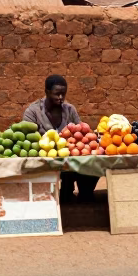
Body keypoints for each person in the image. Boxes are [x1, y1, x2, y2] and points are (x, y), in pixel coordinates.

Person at [22, 74, 100, 203]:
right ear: (47, 92)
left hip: (69, 156)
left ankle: (84, 194)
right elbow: (28, 138)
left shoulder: (70, 110)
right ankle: (63, 192)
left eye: (63, 94)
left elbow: (80, 132)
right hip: (45, 157)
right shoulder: (33, 111)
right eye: (56, 94)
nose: (60, 98)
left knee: (93, 161)